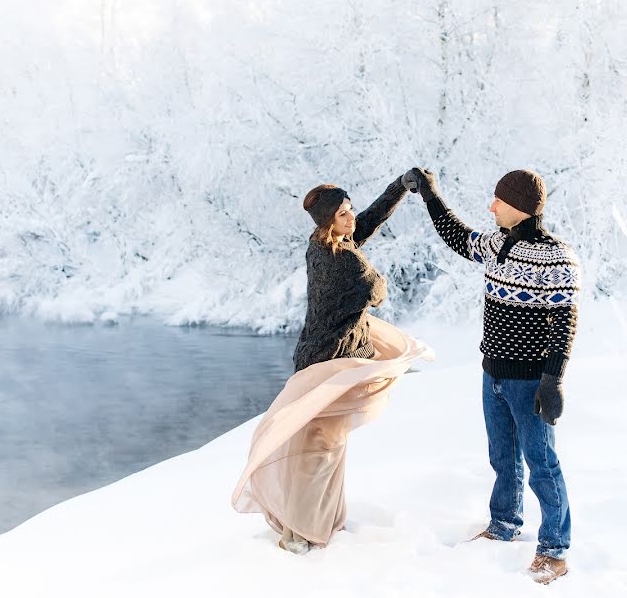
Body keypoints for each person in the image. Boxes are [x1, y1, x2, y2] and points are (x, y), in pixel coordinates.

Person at [231, 173, 433, 555]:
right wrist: (369, 266)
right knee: (322, 447)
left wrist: (398, 189)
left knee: (317, 443)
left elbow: (366, 223)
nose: (351, 217)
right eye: (343, 214)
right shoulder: (344, 260)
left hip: (314, 357)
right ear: (329, 222)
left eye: (349, 208)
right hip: (333, 365)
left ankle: (310, 521)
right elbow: (377, 292)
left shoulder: (320, 246)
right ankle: (304, 530)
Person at [403, 167, 581, 585]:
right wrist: (431, 195)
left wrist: (553, 380)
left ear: (517, 206)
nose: (491, 207)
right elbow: (455, 234)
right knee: (502, 458)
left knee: (542, 464)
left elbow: (565, 323)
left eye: (497, 201)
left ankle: (555, 549)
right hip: (492, 375)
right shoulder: (495, 243)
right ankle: (504, 523)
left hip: (529, 381)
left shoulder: (558, 256)